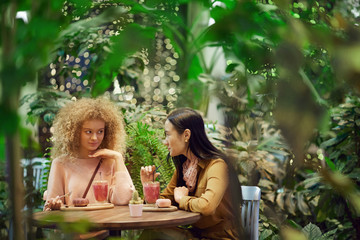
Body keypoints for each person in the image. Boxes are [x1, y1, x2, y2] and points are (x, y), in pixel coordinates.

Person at [140, 108, 243, 240]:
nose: (165, 142)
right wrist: (148, 187)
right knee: (152, 230)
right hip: (195, 235)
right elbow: (163, 201)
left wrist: (182, 199)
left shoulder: (217, 165)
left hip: (220, 237)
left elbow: (207, 206)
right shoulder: (184, 168)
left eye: (168, 134)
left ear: (186, 135)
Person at [44, 97, 134, 211]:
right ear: (75, 132)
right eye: (88, 132)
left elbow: (124, 199)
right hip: (75, 227)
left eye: (100, 131)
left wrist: (118, 157)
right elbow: (48, 209)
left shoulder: (110, 162)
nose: (95, 138)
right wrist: (56, 205)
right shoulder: (61, 164)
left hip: (105, 226)